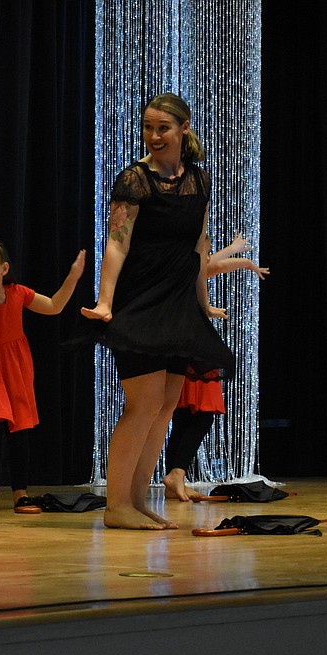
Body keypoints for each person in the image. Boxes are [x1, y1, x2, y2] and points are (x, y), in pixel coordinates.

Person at [81, 92, 234, 530]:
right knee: (143, 402)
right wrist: (106, 300)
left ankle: (134, 498)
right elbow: (116, 241)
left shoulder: (199, 181)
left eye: (162, 127)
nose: (153, 136)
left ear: (183, 128)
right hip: (141, 301)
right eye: (148, 127)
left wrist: (203, 303)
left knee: (166, 402)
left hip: (178, 303)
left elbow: (198, 247)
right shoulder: (134, 180)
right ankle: (116, 506)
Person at [0, 237, 85, 510]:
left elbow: (54, 306)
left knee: (18, 429)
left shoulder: (18, 293)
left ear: (3, 269)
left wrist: (73, 277)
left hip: (14, 366)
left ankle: (19, 493)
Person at [163, 233, 268, 501]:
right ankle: (176, 473)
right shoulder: (193, 266)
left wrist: (232, 250)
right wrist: (246, 262)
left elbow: (210, 263)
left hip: (174, 342)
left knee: (183, 414)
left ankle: (174, 477)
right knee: (204, 414)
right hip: (193, 343)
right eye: (208, 249)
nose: (210, 254)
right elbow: (213, 266)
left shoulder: (176, 265)